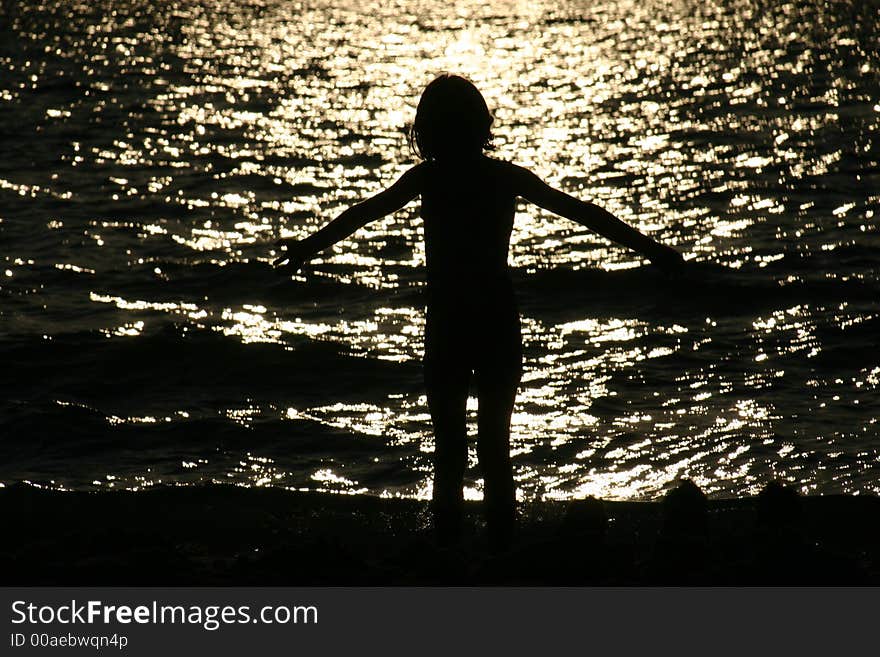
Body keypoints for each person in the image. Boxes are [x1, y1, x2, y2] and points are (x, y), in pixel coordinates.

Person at [274, 73, 684, 550]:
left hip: (449, 322)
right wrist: (653, 250)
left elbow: (364, 212)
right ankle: (499, 553)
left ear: (427, 129)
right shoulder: (501, 177)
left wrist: (307, 248)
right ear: (479, 125)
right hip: (495, 320)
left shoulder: (429, 178)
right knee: (495, 448)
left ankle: (449, 553)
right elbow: (583, 212)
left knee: (450, 447)